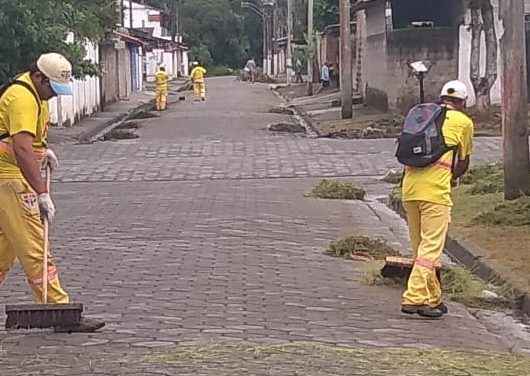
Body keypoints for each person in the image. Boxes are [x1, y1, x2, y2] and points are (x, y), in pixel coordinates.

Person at [0, 53, 104, 332]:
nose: (53, 96)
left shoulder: (36, 95)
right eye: (51, 89)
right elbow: (20, 148)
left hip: (8, 177)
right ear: (38, 77)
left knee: (2, 251)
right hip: (8, 180)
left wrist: (42, 151)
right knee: (36, 246)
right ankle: (60, 310)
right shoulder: (22, 97)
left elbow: (23, 142)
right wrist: (42, 192)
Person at [400, 80, 474, 319]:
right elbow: (463, 162)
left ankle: (431, 298)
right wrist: (452, 177)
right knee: (431, 247)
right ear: (462, 102)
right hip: (435, 193)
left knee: (421, 248)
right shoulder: (464, 122)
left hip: (409, 190)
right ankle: (413, 297)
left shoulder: (422, 115)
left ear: (442, 98)